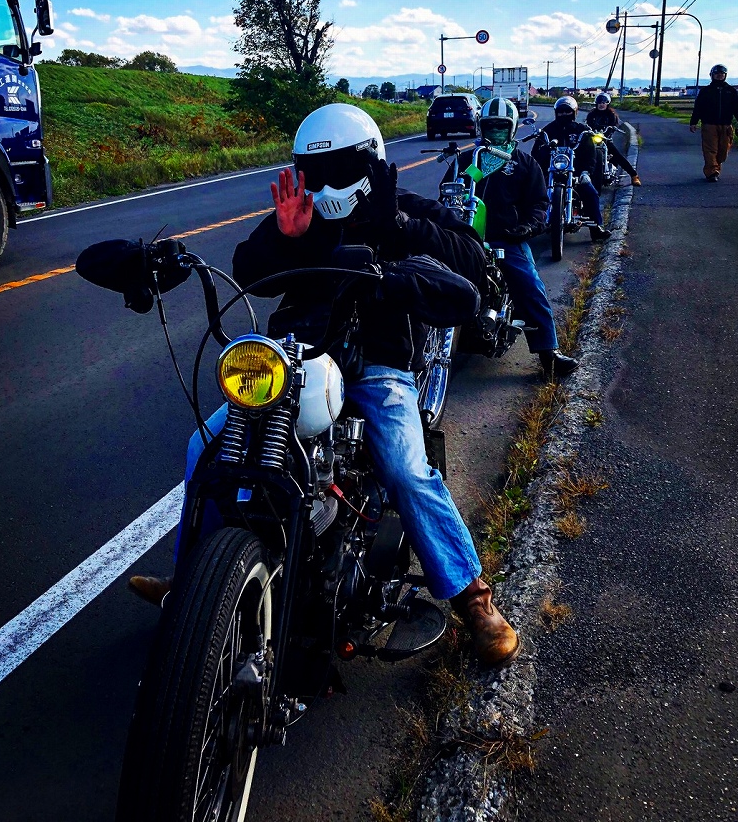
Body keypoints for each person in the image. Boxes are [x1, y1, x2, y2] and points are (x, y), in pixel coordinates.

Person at [130, 104, 520, 670]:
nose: (328, 183)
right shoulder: (302, 214)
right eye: (316, 171)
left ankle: (473, 600)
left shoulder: (403, 207)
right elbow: (249, 269)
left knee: (405, 470)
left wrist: (398, 227)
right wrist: (289, 238)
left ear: (370, 162)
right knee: (203, 449)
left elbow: (472, 261)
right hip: (297, 358)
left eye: (340, 168)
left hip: (378, 365)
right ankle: (192, 582)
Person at [462, 97, 579, 378]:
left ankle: (548, 352)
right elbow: (448, 192)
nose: (495, 133)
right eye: (490, 127)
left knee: (529, 284)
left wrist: (527, 227)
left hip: (505, 238)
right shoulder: (468, 160)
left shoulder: (524, 163)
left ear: (512, 128)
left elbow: (540, 203)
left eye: (502, 127)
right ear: (481, 127)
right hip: (465, 237)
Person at [532, 95, 612, 242]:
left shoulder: (582, 130)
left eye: (567, 111)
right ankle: (528, 224)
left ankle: (596, 228)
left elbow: (591, 154)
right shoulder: (547, 131)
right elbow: (535, 154)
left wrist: (586, 172)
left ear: (574, 112)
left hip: (577, 173)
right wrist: (544, 151)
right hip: (551, 172)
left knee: (590, 193)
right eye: (561, 111)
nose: (564, 114)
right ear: (556, 112)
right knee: (531, 192)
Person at [689, 64, 738, 182]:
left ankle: (715, 167)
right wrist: (693, 122)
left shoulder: (731, 91)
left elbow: (737, 108)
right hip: (709, 125)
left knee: (723, 151)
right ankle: (712, 172)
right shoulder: (706, 91)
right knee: (710, 149)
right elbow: (698, 108)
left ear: (725, 75)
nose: (719, 76)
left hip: (726, 125)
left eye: (722, 74)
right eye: (717, 74)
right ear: (712, 75)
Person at [585, 93, 642, 186]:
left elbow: (613, 125)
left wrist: (609, 131)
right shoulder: (592, 114)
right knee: (583, 153)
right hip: (593, 138)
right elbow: (588, 125)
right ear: (596, 103)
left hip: (606, 139)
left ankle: (634, 176)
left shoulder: (611, 114)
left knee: (617, 155)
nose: (601, 104)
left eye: (604, 102)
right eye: (599, 102)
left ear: (607, 103)